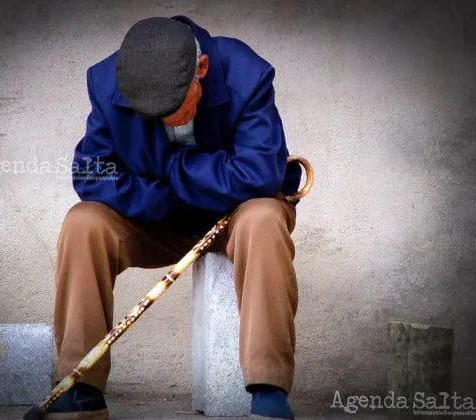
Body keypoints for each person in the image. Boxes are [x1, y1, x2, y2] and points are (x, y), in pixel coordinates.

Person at [48, 15, 303, 420]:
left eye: (173, 108)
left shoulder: (246, 72)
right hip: (155, 218)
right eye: (151, 113)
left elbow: (260, 173)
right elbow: (92, 173)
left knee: (266, 218)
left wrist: (174, 171)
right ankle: (80, 389)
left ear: (201, 71)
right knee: (83, 222)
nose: (165, 119)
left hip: (234, 217)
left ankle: (269, 390)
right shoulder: (106, 80)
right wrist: (170, 193)